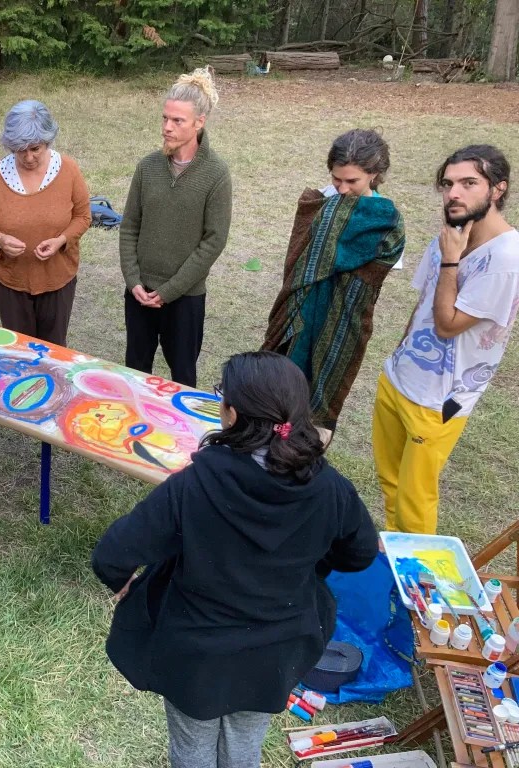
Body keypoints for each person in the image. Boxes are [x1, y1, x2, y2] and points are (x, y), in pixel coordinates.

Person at [91, 351, 378, 768]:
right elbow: (361, 552)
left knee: (192, 749)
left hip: (196, 650)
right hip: (277, 650)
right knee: (244, 747)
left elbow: (112, 555)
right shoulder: (331, 488)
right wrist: (309, 564)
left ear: (233, 414)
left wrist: (125, 583)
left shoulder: (194, 484)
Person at [373, 145, 518, 534]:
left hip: (439, 401)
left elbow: (447, 325)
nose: (454, 193)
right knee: (391, 484)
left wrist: (452, 259)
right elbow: (423, 303)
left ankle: (416, 569)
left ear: (498, 189)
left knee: (415, 500)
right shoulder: (451, 236)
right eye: (448, 184)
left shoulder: (507, 259)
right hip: (399, 379)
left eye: (469, 183)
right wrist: (397, 355)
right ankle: (393, 555)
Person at [262, 129, 406, 433]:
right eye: (336, 178)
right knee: (273, 389)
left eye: (352, 181)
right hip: (297, 311)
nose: (342, 188)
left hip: (342, 322)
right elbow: (297, 258)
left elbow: (375, 273)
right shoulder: (318, 203)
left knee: (318, 405)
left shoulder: (385, 220)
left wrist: (331, 240)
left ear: (374, 174)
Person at [119, 68, 232, 387]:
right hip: (139, 293)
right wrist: (133, 281)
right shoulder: (147, 167)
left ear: (199, 122)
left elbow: (213, 241)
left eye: (178, 120)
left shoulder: (216, 174)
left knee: (183, 376)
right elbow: (129, 226)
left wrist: (169, 291)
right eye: (165, 118)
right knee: (135, 372)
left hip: (185, 298)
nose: (167, 127)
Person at [0, 101, 91, 347]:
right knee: (18, 349)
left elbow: (83, 216)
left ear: (48, 140)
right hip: (11, 281)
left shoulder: (68, 170)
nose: (28, 157)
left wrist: (61, 241)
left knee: (53, 349)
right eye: (20, 150)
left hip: (57, 279)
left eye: (35, 148)